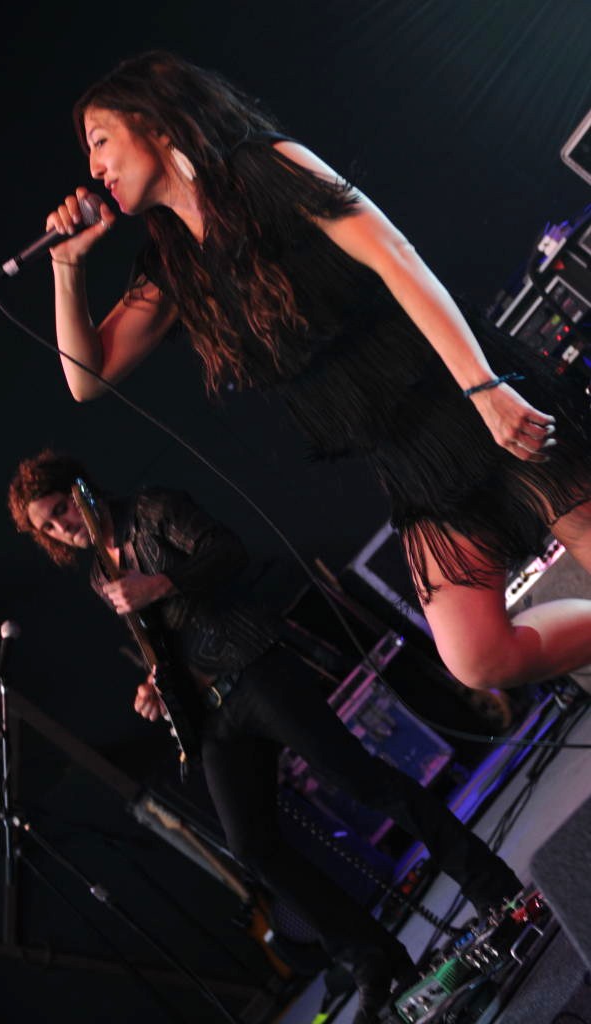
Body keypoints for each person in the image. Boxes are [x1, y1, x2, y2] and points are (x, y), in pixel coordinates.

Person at [37, 50, 591, 696]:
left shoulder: (265, 166)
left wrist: (484, 387)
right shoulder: (172, 266)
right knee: (478, 657)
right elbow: (86, 379)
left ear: (154, 120)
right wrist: (67, 266)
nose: (94, 168)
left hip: (457, 392)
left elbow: (396, 256)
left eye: (99, 140)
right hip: (409, 457)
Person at [7, 448, 524, 1023]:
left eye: (61, 509)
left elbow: (227, 551)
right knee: (252, 846)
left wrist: (160, 583)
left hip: (256, 670)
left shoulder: (151, 510)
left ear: (81, 488)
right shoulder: (100, 577)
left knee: (364, 782)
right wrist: (155, 686)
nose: (63, 527)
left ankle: (492, 887)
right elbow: (166, 642)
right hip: (212, 713)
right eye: (48, 527)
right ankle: (373, 959)